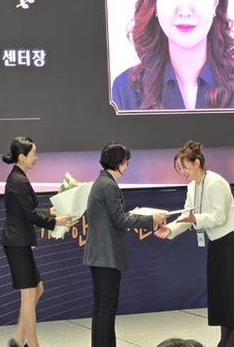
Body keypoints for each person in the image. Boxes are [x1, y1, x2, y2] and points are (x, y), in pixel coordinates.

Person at [155, 141, 234, 347]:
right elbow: (187, 216)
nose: (182, 172)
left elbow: (219, 217)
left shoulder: (216, 182)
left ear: (196, 163)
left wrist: (195, 219)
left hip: (232, 243)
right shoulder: (192, 187)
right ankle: (226, 341)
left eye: (184, 167)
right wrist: (169, 229)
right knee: (223, 297)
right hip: (217, 245)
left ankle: (230, 341)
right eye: (179, 168)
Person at [83, 142, 166, 347]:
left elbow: (115, 216)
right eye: (126, 162)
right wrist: (151, 219)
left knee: (101, 308)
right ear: (119, 162)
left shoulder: (101, 182)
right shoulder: (109, 185)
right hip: (107, 256)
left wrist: (136, 216)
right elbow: (120, 219)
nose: (127, 166)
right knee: (107, 309)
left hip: (99, 255)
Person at [1, 137, 74, 347]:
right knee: (29, 294)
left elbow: (28, 211)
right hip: (17, 242)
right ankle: (32, 344)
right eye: (33, 154)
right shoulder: (19, 180)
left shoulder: (18, 177)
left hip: (20, 241)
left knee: (37, 289)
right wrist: (56, 221)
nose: (36, 158)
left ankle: (18, 339)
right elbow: (31, 216)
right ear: (21, 157)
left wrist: (50, 212)